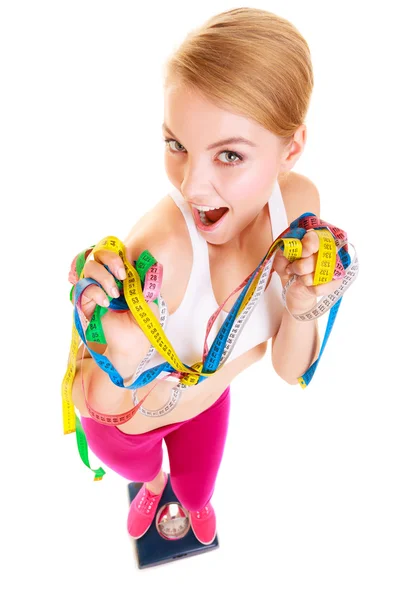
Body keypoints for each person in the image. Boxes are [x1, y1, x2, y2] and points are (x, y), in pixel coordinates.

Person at [70, 7, 344, 546]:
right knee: (144, 471)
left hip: (210, 402)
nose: (193, 187)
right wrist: (120, 355)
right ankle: (151, 486)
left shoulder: (300, 209)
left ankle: (188, 498)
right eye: (177, 146)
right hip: (127, 428)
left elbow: (290, 372)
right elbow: (98, 409)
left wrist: (307, 300)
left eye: (229, 155)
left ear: (291, 149)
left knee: (197, 495)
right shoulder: (163, 249)